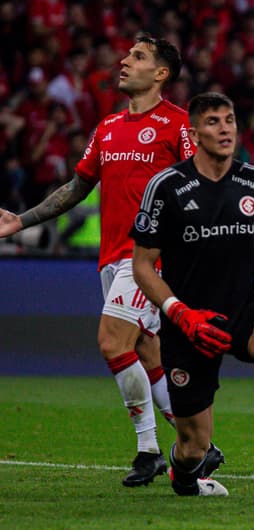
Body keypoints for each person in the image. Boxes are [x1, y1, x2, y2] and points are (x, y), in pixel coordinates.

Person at [0, 35, 192, 487]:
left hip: (149, 258)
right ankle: (197, 445)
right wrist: (20, 221)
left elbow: (201, 186)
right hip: (111, 259)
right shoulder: (107, 127)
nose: (124, 61)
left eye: (138, 57)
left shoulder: (179, 125)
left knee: (111, 341)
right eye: (127, 55)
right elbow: (77, 187)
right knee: (145, 354)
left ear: (161, 74)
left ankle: (149, 450)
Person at [130, 92, 254, 504]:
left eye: (229, 120)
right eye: (213, 122)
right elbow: (141, 266)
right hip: (186, 323)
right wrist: (179, 313)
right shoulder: (167, 187)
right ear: (194, 133)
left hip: (241, 310)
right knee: (194, 447)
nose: (224, 129)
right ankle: (184, 474)